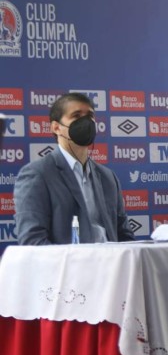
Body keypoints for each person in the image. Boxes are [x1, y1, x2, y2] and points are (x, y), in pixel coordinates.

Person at [13, 92, 134, 245]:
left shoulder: (108, 177)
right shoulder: (37, 174)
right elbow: (32, 240)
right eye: (76, 116)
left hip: (111, 266)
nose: (86, 121)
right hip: (67, 267)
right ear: (56, 127)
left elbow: (124, 236)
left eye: (90, 116)